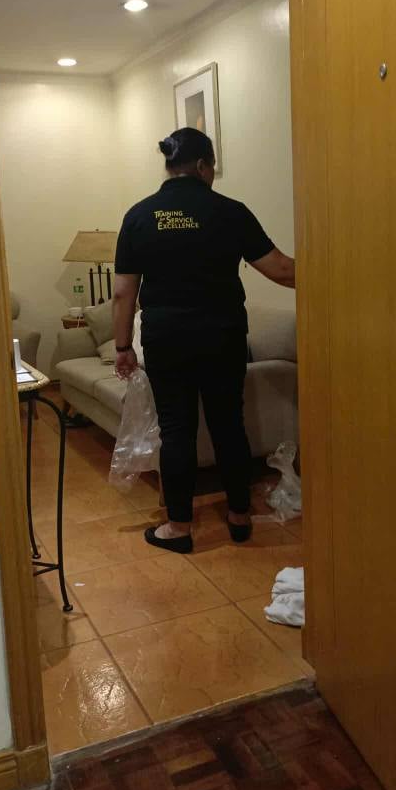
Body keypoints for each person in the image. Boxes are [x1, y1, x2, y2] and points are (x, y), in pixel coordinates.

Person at [112, 127, 295, 554]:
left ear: (170, 166)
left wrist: (123, 347)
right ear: (202, 165)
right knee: (228, 423)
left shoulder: (139, 215)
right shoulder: (230, 211)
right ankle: (239, 516)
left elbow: (123, 292)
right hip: (222, 335)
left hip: (166, 338)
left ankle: (178, 527)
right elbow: (282, 270)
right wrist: (338, 273)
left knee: (177, 429)